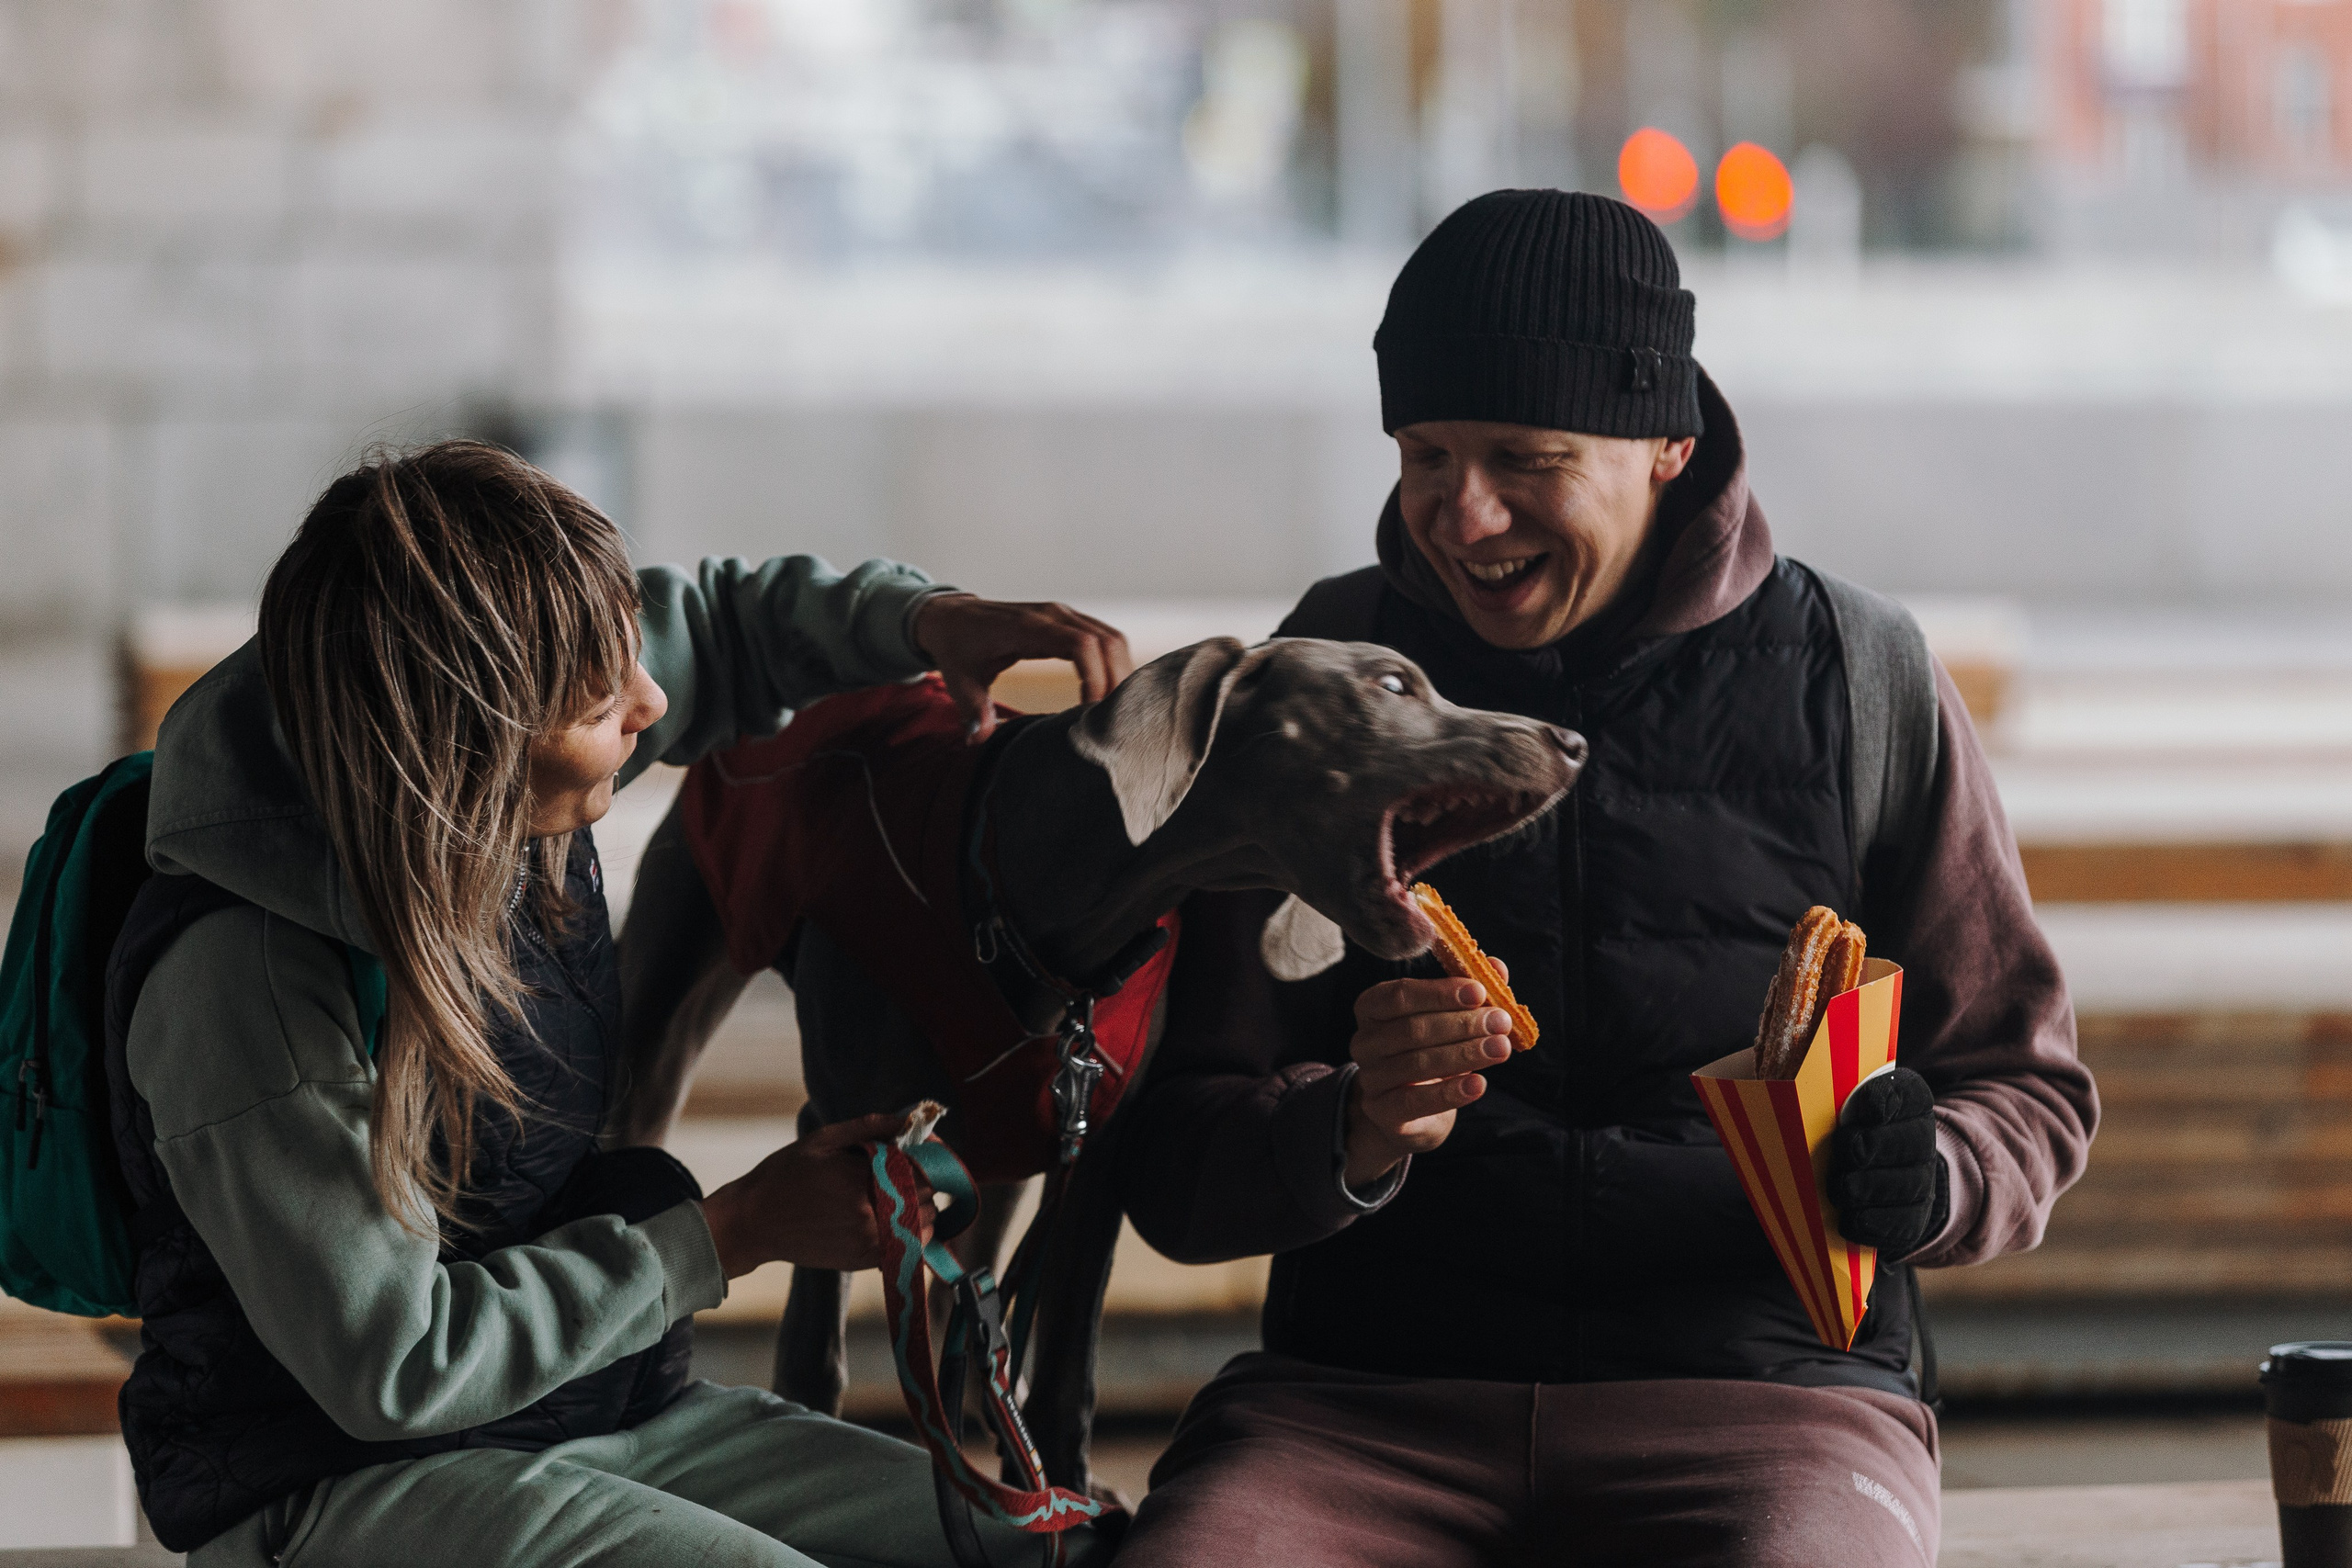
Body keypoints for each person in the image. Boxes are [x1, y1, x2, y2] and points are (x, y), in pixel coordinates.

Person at [1112, 191, 2098, 1566]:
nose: (1464, 512)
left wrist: (1928, 1172)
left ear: (1668, 445)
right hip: (1362, 1407)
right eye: (1426, 452)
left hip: (1771, 1402)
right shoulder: (1324, 681)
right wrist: (1348, 1130)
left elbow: (2031, 1090)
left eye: (1526, 455)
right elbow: (1173, 1152)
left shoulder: (1864, 682)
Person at [111, 440, 1129, 1567]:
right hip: (331, 1477)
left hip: (575, 1403)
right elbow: (397, 1369)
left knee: (1047, 1552)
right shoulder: (245, 988)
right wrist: (734, 1231)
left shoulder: (506, 760)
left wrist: (925, 623)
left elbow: (728, 630)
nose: (651, 704)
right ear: (468, 754)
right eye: (604, 701)